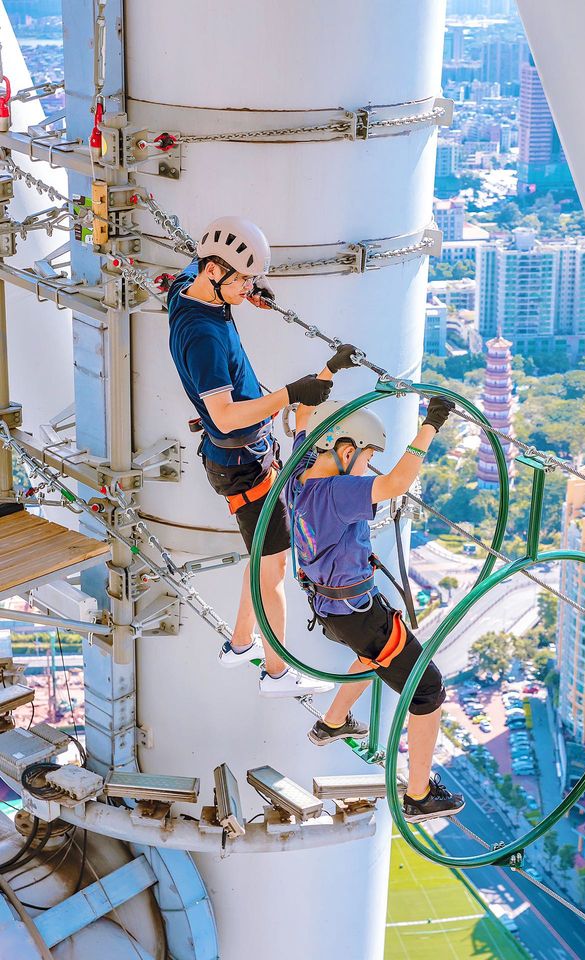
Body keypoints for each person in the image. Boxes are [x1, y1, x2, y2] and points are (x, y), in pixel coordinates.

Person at [168, 215, 356, 698]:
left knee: (260, 559)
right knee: (272, 571)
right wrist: (291, 392)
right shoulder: (203, 337)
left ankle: (240, 643)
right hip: (242, 464)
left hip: (243, 458)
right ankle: (277, 672)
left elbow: (197, 267)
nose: (250, 286)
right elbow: (226, 416)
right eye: (242, 278)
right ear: (215, 271)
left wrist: (248, 290)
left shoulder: (191, 287)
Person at [287, 391, 465, 822]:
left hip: (332, 607)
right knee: (427, 688)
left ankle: (332, 721)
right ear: (345, 451)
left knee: (373, 657)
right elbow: (397, 484)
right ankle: (420, 795)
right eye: (367, 456)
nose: (368, 467)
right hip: (357, 612)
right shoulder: (339, 491)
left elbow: (302, 423)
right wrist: (431, 424)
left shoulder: (298, 474)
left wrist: (326, 375)